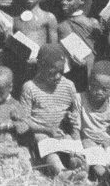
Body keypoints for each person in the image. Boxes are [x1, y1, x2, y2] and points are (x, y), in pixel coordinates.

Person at [20, 44, 84, 179]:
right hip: (39, 132)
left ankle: (78, 165)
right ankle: (60, 172)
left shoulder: (68, 86)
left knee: (71, 143)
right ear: (40, 67)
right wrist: (47, 130)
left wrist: (71, 117)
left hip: (61, 131)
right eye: (52, 73)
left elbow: (74, 110)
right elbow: (24, 120)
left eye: (61, 71)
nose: (58, 76)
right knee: (46, 144)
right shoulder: (30, 88)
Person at [7, 0, 58, 96]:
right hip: (20, 66)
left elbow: (53, 47)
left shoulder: (48, 17)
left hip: (40, 67)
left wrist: (41, 61)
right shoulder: (15, 18)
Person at [74, 60, 110, 180]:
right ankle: (107, 178)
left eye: (105, 89)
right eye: (95, 87)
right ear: (89, 82)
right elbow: (76, 128)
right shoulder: (80, 99)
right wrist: (78, 150)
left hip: (107, 142)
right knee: (95, 159)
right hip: (88, 140)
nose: (99, 92)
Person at [56, 0, 102, 92]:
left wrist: (87, 62)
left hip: (90, 71)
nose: (63, 2)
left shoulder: (91, 23)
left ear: (81, 0)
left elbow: (99, 50)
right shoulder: (61, 24)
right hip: (71, 72)